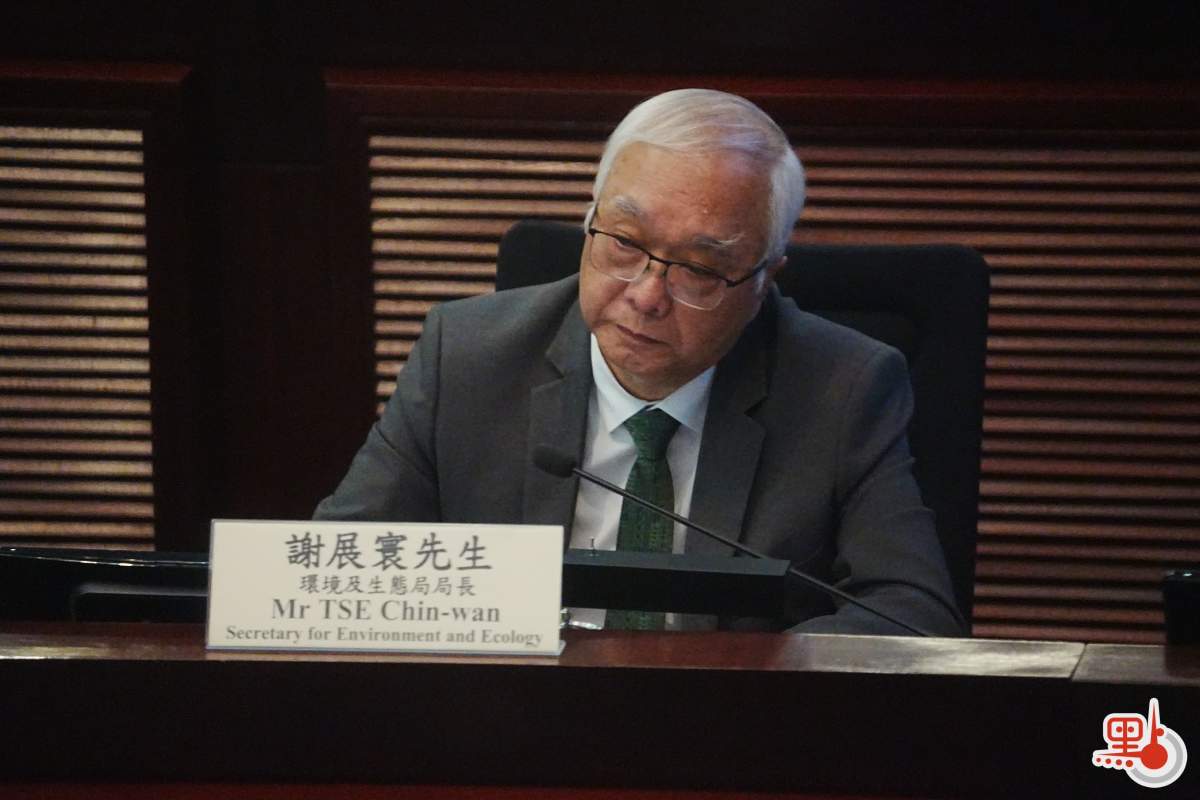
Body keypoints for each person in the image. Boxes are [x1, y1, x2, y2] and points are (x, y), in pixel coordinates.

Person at [315, 88, 964, 636]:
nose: (648, 295)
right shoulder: (464, 358)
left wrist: (738, 678)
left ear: (766, 280)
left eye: (701, 269)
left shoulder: (844, 388)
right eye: (624, 242)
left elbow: (913, 615)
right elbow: (331, 578)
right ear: (590, 221)